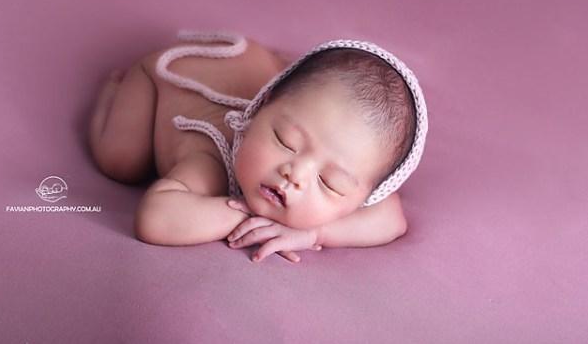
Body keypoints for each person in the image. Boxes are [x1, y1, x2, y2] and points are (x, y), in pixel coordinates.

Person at [88, 30, 428, 263]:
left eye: (330, 183)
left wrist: (314, 233)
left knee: (308, 93)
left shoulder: (354, 174)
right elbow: (156, 219)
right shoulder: (212, 158)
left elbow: (392, 219)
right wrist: (247, 213)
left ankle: (275, 68)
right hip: (168, 76)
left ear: (365, 196)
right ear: (259, 108)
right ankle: (114, 92)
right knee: (120, 161)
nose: (295, 174)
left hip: (254, 69)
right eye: (285, 141)